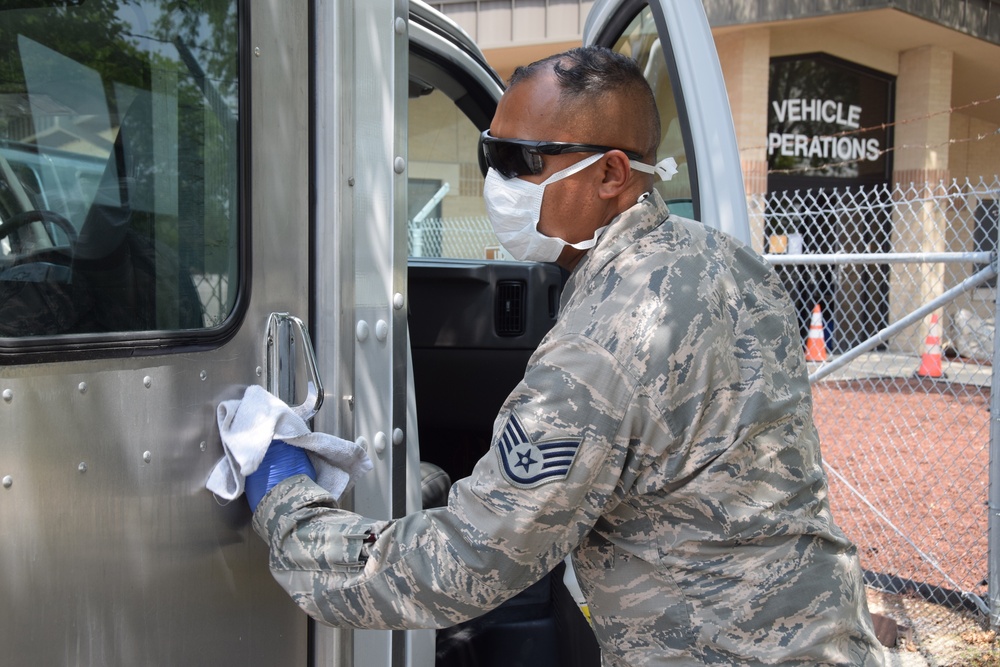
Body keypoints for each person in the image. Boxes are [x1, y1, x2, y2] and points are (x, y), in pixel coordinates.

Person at [246, 46, 885, 666]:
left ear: (610, 173)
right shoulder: (725, 260)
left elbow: (471, 560)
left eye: (519, 159)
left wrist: (289, 510)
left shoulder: (608, 338)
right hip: (821, 634)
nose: (496, 181)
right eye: (488, 153)